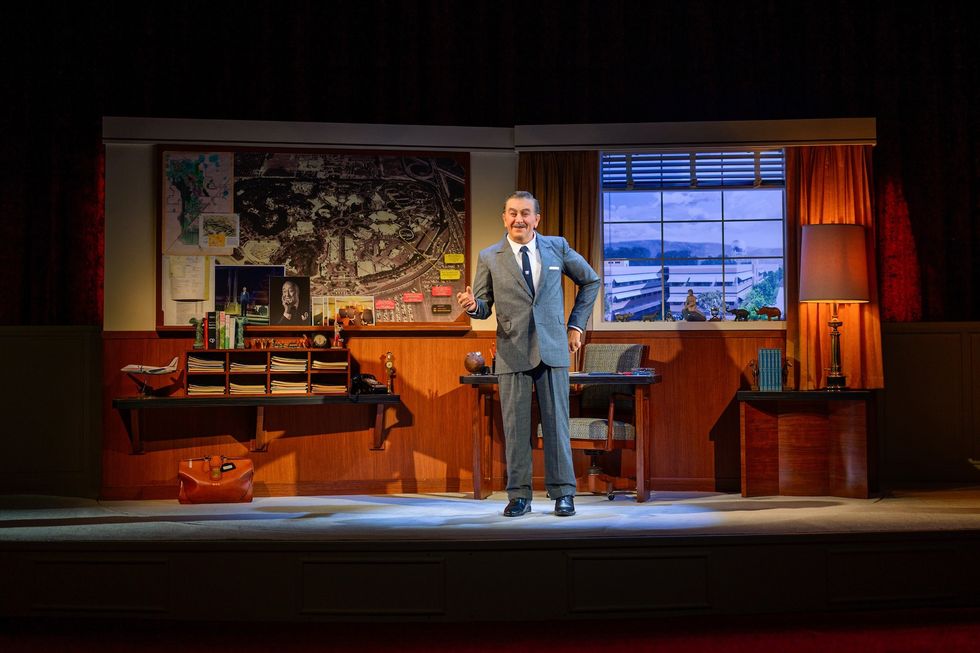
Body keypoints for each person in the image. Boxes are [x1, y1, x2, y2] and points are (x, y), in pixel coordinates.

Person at [456, 191, 599, 517]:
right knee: (516, 428)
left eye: (524, 213)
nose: (518, 219)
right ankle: (519, 496)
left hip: (552, 348)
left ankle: (563, 493)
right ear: (504, 218)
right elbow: (483, 306)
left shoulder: (557, 247)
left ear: (536, 219)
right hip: (512, 350)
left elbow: (591, 281)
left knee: (557, 425)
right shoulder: (489, 256)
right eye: (512, 213)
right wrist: (472, 306)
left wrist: (576, 326)